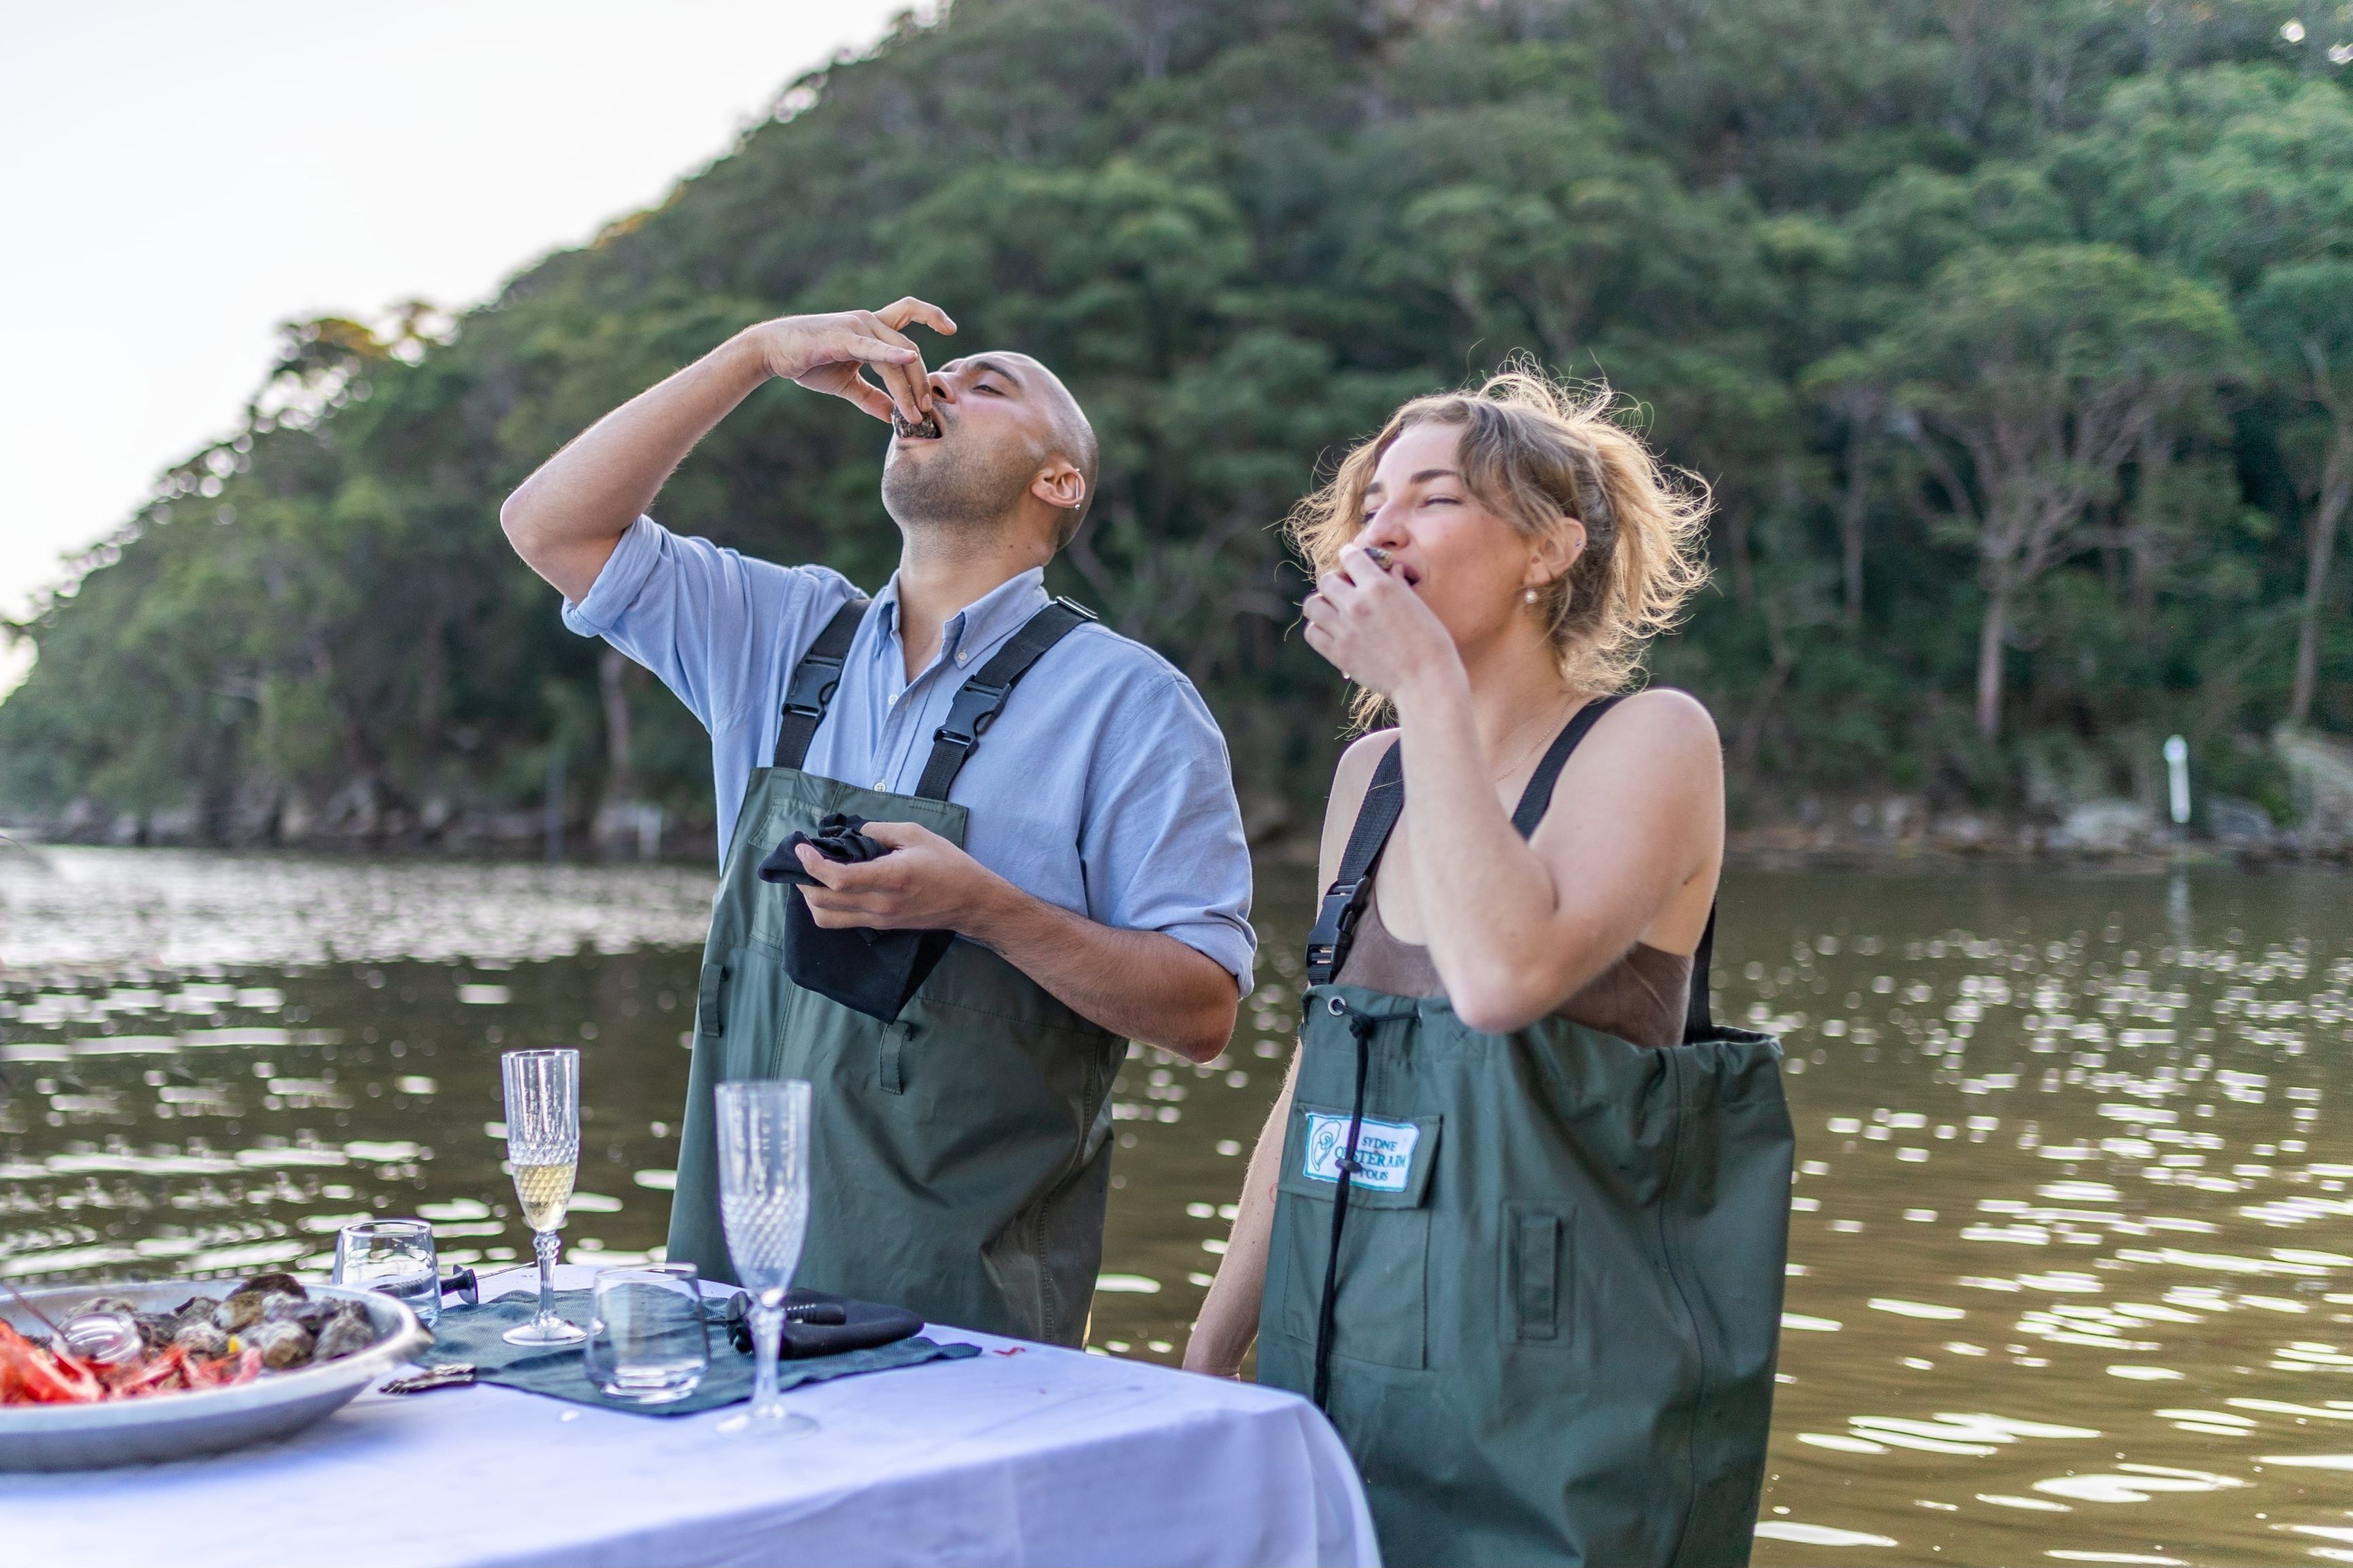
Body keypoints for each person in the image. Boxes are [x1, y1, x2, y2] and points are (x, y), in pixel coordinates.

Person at [500, 299, 1254, 1346]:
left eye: (988, 383)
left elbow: (1204, 1010)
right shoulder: (781, 635)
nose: (936, 382)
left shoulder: (1134, 703)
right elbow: (550, 525)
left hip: (972, 1338)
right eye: (942, 373)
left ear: (1058, 481)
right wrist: (756, 354)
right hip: (733, 1309)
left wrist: (984, 908)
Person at [1184, 369, 1793, 1565]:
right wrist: (1212, 1352)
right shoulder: (1370, 779)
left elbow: (1504, 980)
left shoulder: (1653, 740)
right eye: (1371, 505)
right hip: (1337, 1374)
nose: (1383, 529)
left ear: (1548, 549)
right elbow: (1320, 1072)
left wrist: (1423, 684)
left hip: (1556, 1417)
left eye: (1435, 497)